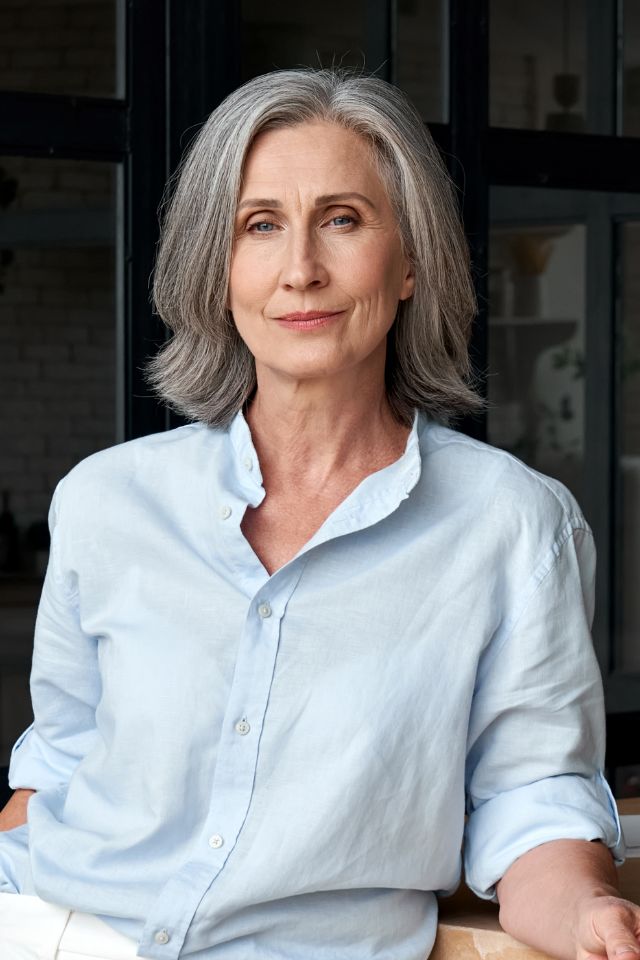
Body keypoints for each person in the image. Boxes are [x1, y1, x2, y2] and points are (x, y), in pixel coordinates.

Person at [0, 67, 637, 960]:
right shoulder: (104, 501)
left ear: (410, 262)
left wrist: (586, 917)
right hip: (52, 930)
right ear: (219, 271)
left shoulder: (515, 527)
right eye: (260, 226)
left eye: (343, 219)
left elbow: (532, 803)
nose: (300, 269)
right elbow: (56, 764)